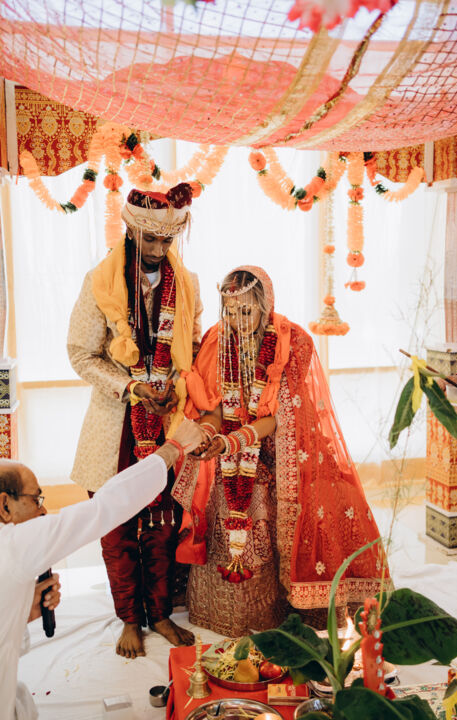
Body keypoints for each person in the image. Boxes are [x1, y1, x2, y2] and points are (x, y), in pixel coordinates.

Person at [172, 266, 390, 637]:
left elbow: (278, 418)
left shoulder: (292, 342)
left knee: (308, 499)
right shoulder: (216, 340)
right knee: (226, 496)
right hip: (232, 449)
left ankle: (292, 608)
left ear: (265, 305)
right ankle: (230, 613)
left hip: (285, 448)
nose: (237, 321)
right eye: (229, 312)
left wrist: (232, 441)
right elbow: (213, 406)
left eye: (246, 311)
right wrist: (210, 436)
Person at [67, 183, 203, 658]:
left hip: (166, 417)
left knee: (164, 519)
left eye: (168, 240)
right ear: (130, 230)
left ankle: (160, 613)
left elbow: (194, 345)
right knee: (116, 521)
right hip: (115, 422)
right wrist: (130, 387)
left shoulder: (187, 283)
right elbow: (80, 355)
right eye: (151, 239)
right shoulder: (100, 282)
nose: (160, 250)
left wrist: (172, 386)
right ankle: (129, 617)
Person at [0, 419, 204, 720]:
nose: (43, 511)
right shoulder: (13, 544)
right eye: (36, 499)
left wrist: (22, 609)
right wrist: (173, 448)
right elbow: (105, 508)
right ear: (5, 506)